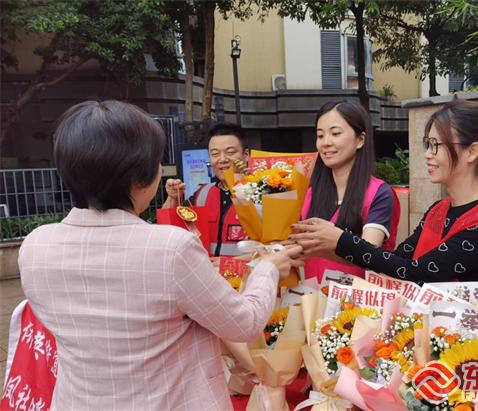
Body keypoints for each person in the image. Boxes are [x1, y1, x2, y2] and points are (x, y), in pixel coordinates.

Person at [19, 100, 303, 410]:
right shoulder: (171, 248)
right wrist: (267, 267)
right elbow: (244, 323)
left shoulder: (35, 246)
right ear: (140, 177)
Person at [290, 100, 478, 307]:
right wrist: (328, 247)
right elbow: (400, 259)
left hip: (474, 339)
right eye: (427, 144)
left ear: (472, 152)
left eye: (436, 145)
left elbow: (416, 272)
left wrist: (341, 240)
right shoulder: (439, 209)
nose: (427, 154)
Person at [301, 100, 400, 282]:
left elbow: (368, 254)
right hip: (311, 296)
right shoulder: (309, 195)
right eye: (320, 135)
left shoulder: (379, 193)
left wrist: (327, 242)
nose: (326, 143)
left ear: (360, 140)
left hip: (358, 298)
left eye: (335, 133)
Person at [162, 123, 249, 266]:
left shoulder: (264, 193)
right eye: (215, 154)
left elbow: (277, 248)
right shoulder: (203, 193)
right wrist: (173, 198)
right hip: (208, 276)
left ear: (246, 155)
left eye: (230, 152)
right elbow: (167, 227)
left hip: (250, 277)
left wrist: (229, 263)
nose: (222, 159)